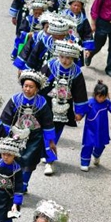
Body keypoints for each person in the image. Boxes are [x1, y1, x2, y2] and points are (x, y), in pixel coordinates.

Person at [0, 70, 57, 193]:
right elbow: (6, 118)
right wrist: (3, 135)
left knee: (29, 164)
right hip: (15, 136)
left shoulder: (41, 102)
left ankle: (23, 186)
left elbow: (47, 122)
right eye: (25, 86)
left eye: (31, 87)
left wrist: (50, 140)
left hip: (34, 139)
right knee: (13, 160)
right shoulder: (15, 99)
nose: (28, 89)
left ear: (36, 88)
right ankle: (12, 182)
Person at [39, 40, 88, 176]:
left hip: (64, 108)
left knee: (56, 132)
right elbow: (40, 85)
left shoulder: (76, 72)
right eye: (62, 57)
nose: (65, 61)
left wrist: (79, 111)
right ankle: (50, 160)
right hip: (47, 105)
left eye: (68, 58)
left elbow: (80, 92)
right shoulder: (49, 66)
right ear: (58, 55)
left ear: (73, 57)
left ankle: (47, 152)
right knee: (46, 130)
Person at [80, 81, 111, 171]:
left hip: (102, 129)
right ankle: (84, 163)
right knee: (88, 145)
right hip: (90, 129)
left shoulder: (106, 103)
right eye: (100, 96)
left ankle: (96, 155)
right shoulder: (90, 102)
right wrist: (78, 116)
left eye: (104, 97)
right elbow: (82, 111)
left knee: (100, 145)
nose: (101, 99)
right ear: (95, 94)